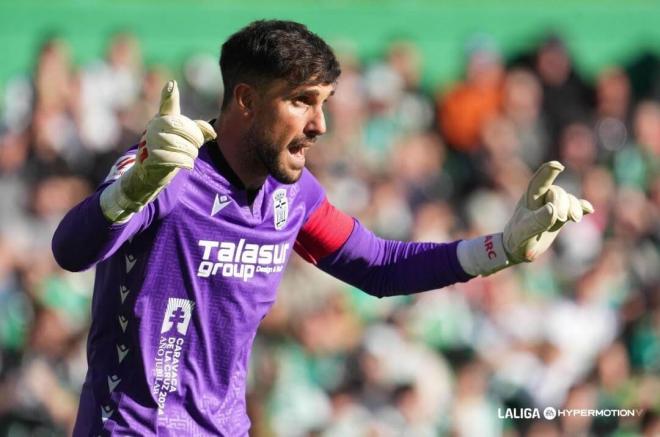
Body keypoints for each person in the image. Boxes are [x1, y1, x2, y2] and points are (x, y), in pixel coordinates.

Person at [51, 20, 593, 436]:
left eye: (325, 103)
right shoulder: (164, 168)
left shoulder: (295, 195)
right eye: (302, 102)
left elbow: (378, 265)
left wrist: (501, 247)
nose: (321, 125)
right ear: (245, 100)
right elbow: (71, 250)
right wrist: (130, 190)